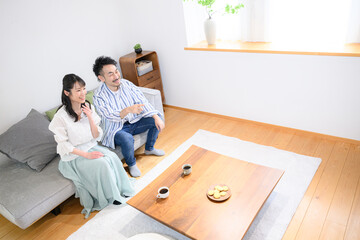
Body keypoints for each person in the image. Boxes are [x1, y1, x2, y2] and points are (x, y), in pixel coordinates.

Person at [49, 74, 135, 218]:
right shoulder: (60, 117)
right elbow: (64, 146)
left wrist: (89, 117)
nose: (83, 93)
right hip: (73, 157)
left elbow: (96, 135)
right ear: (67, 93)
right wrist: (87, 155)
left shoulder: (87, 106)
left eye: (84, 89)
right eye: (78, 90)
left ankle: (121, 189)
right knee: (102, 164)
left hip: (90, 146)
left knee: (112, 157)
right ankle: (112, 197)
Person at [92, 56, 165, 177]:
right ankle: (131, 164)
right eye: (110, 74)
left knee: (157, 118)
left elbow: (142, 100)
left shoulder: (126, 84)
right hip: (116, 129)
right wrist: (128, 110)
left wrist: (155, 116)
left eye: (116, 71)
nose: (116, 76)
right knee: (127, 139)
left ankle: (149, 148)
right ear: (101, 78)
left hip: (134, 121)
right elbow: (109, 115)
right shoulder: (99, 96)